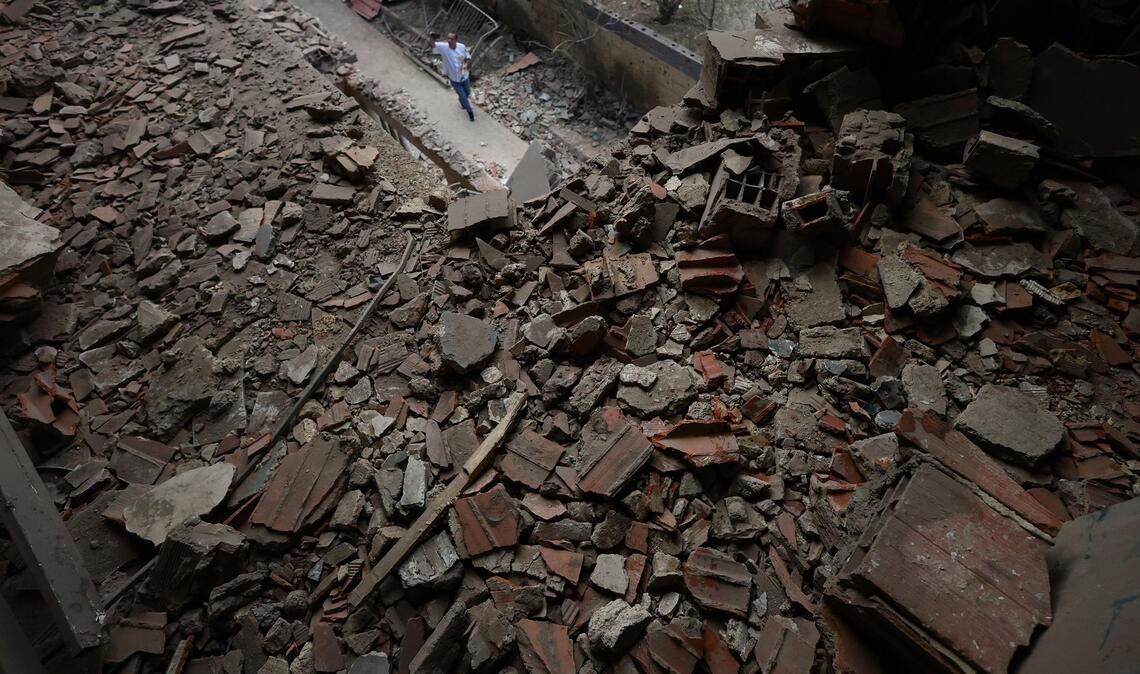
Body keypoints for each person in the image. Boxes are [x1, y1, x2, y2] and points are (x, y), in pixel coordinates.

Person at [429, 31, 475, 122]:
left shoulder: (461, 47)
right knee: (463, 96)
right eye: (448, 38)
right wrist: (430, 37)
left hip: (464, 76)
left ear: (456, 40)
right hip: (454, 78)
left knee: (467, 92)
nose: (449, 40)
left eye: (451, 39)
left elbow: (468, 57)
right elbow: (432, 45)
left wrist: (466, 65)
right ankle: (470, 112)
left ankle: (462, 102)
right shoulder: (443, 47)